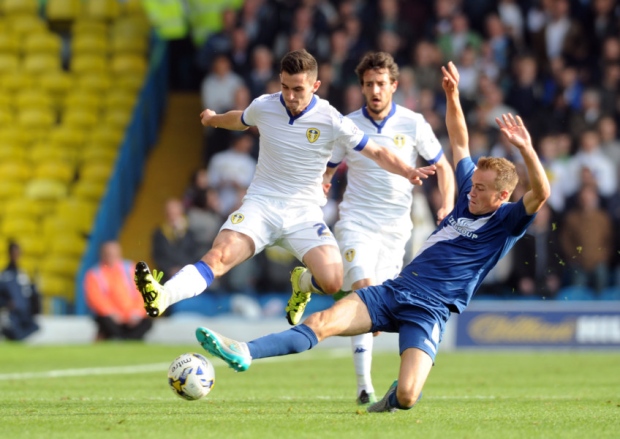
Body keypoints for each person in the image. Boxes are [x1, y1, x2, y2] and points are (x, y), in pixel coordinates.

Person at [193, 62, 551, 413]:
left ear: (502, 197)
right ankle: (244, 350)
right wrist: (453, 95)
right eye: (473, 184)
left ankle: (389, 398)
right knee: (322, 323)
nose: (471, 191)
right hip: (394, 291)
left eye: (481, 189)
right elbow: (459, 141)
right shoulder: (466, 194)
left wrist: (526, 150)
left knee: (409, 396)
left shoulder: (507, 220)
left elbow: (541, 193)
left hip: (430, 312)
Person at [134, 49, 436, 324]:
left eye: (298, 90)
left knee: (333, 281)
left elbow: (377, 152)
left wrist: (408, 170)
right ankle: (164, 295)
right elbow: (238, 119)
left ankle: (302, 284)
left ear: (315, 87)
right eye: (285, 87)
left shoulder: (332, 119)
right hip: (261, 205)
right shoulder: (265, 106)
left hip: (303, 214)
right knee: (219, 256)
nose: (290, 96)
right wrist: (213, 119)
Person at [322, 51, 456, 406]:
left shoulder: (413, 123)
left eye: (381, 83)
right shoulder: (348, 125)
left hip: (396, 231)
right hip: (356, 222)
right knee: (364, 292)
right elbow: (330, 167)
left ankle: (311, 283)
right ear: (362, 87)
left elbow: (443, 166)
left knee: (374, 312)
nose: (375, 90)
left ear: (394, 86)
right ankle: (364, 386)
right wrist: (319, 188)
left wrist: (446, 203)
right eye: (369, 84)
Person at [84, 241, 152, 341]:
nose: (111, 257)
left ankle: (125, 339)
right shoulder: (95, 273)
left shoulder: (130, 268)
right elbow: (95, 298)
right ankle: (124, 338)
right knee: (106, 322)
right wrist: (111, 312)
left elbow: (142, 292)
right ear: (102, 255)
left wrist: (136, 312)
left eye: (114, 254)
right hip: (111, 316)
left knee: (147, 322)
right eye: (108, 254)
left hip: (131, 315)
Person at [0, 242, 40, 341]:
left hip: (24, 314)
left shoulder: (22, 274)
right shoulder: (5, 275)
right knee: (16, 334)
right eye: (15, 252)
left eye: (18, 252)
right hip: (11, 315)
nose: (17, 255)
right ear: (10, 254)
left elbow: (29, 294)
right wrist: (6, 303)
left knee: (36, 328)